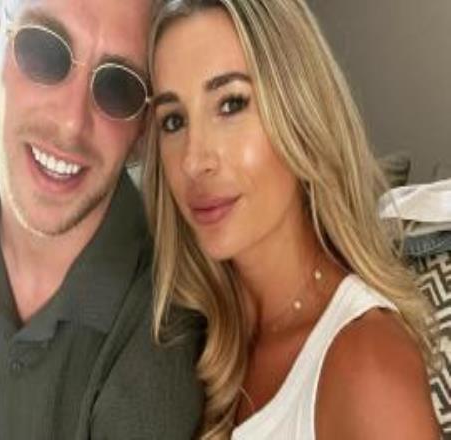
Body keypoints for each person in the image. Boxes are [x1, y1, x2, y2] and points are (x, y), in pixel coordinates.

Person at [142, 0, 440, 438]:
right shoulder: (191, 338)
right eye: (173, 121)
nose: (193, 160)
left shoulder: (367, 368)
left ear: (299, 110)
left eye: (231, 104)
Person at [0, 0, 203, 438]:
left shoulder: (163, 337)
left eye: (118, 87)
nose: (71, 123)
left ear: (142, 133)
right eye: (44, 52)